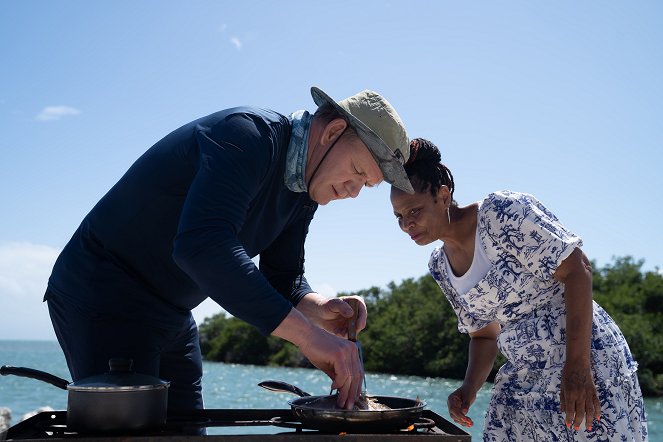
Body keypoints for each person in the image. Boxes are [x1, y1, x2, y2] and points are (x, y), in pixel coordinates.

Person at [44, 86, 415, 418]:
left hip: (173, 311)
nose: (352, 191)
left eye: (365, 186)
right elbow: (202, 246)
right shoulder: (247, 136)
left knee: (189, 430)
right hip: (103, 292)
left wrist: (319, 309)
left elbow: (283, 278)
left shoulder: (305, 192)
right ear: (332, 132)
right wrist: (308, 338)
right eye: (355, 172)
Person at [390, 138, 648, 441]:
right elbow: (484, 335)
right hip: (525, 371)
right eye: (399, 217)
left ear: (443, 196)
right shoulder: (440, 267)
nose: (407, 224)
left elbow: (579, 270)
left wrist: (577, 367)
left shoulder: (501, 213)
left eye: (414, 210)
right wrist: (469, 388)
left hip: (583, 359)